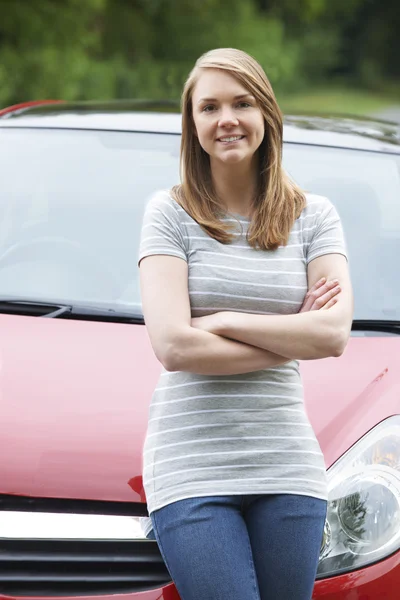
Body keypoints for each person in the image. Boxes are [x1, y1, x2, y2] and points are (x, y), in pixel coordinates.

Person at [138, 48, 353, 600]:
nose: (225, 118)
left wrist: (224, 319)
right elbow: (175, 347)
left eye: (241, 102)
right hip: (192, 466)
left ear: (267, 115)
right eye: (208, 107)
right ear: (193, 125)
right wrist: (289, 336)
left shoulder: (315, 216)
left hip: (287, 463)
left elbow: (331, 335)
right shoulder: (169, 212)